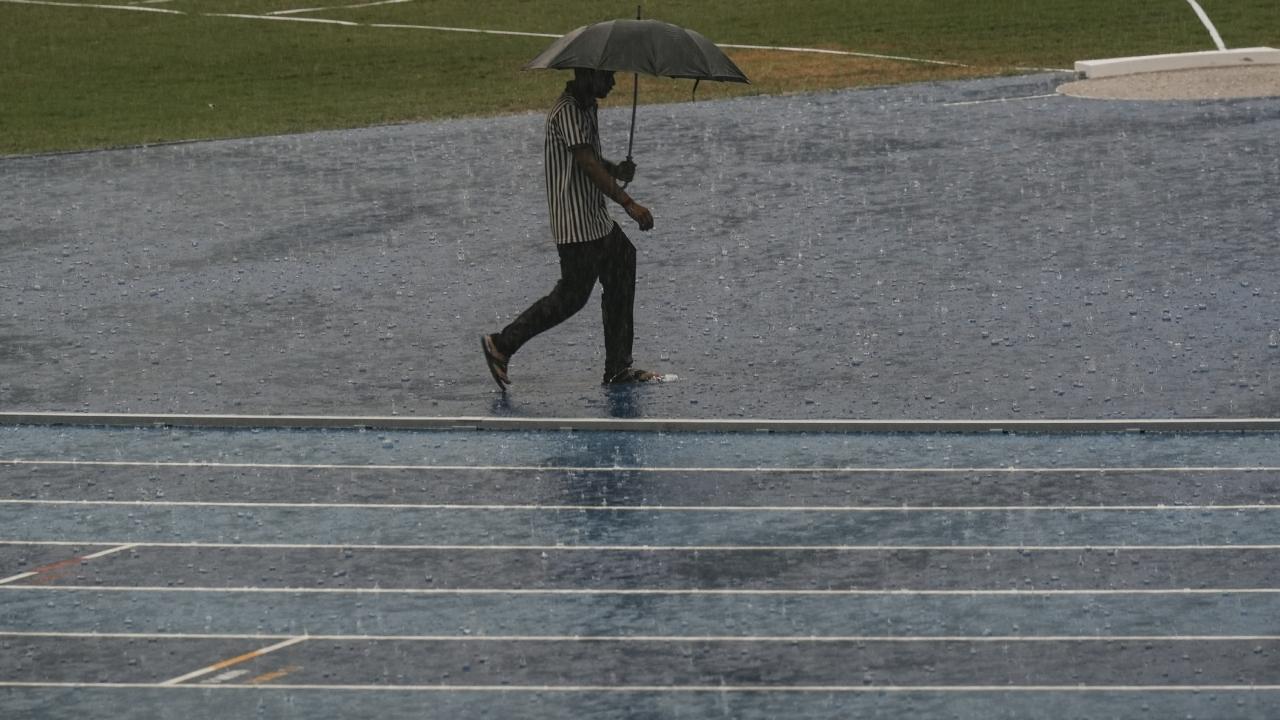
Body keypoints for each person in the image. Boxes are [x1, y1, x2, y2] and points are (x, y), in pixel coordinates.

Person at [481, 67, 661, 390]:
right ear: (585, 73)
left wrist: (616, 168)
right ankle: (502, 344)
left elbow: (592, 159)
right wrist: (628, 203)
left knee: (623, 263)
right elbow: (586, 164)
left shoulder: (587, 107)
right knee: (570, 298)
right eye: (606, 75)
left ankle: (618, 366)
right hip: (576, 226)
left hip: (596, 221)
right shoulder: (566, 112)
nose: (613, 82)